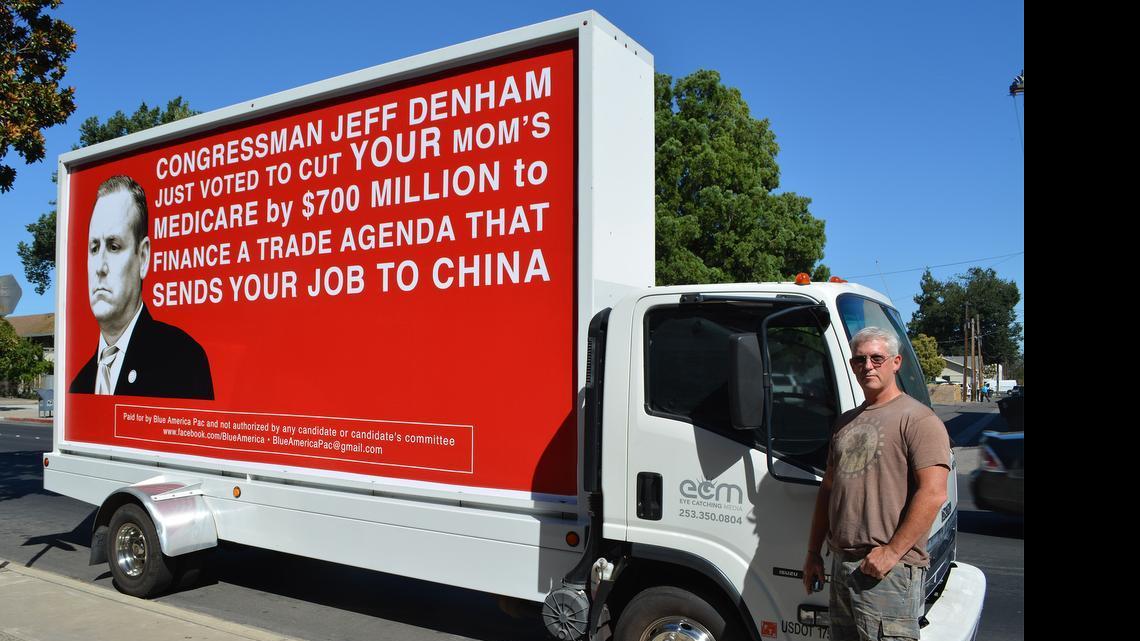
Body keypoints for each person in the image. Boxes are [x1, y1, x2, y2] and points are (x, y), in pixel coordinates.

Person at [802, 327, 950, 641]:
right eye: (859, 360)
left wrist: (892, 552)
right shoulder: (845, 421)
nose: (867, 366)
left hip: (887, 572)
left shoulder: (918, 419)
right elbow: (828, 489)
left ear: (896, 362)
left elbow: (934, 492)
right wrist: (814, 552)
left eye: (876, 358)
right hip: (843, 566)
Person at [69, 175, 214, 400]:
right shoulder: (80, 385)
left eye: (114, 246)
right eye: (94, 248)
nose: (100, 267)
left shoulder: (182, 361)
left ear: (143, 257)